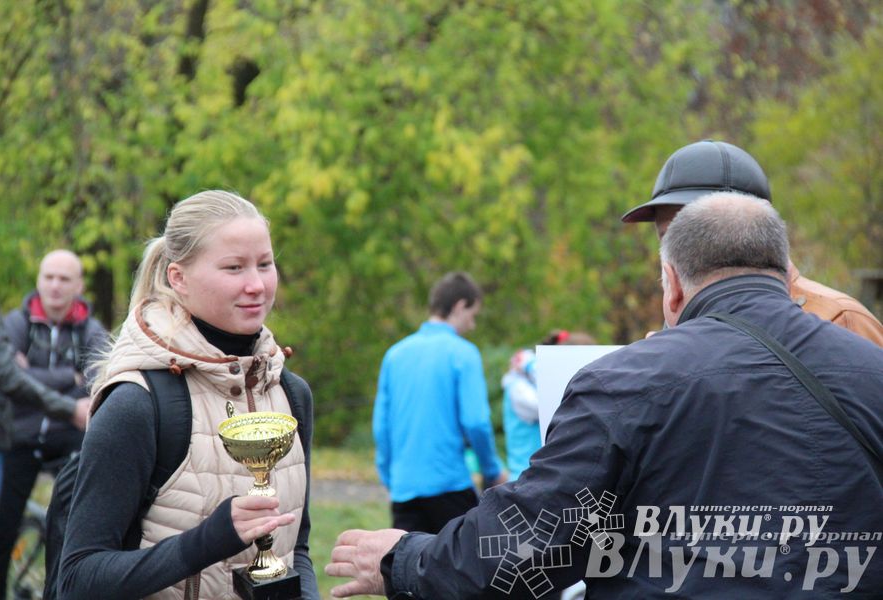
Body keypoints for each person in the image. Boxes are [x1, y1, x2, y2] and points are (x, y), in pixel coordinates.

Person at [326, 193, 883, 597]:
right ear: (786, 275)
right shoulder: (872, 368)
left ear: (672, 284)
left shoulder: (626, 382)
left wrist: (405, 559)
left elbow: (530, 548)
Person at [57, 191, 320, 599]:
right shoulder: (137, 404)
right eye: (234, 267)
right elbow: (78, 579)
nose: (256, 285)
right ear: (178, 278)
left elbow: (295, 549)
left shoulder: (291, 393)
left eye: (265, 264)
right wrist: (207, 541)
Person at [621, 139, 883, 346]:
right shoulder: (676, 320)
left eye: (698, 232)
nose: (681, 250)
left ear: (757, 223)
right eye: (669, 236)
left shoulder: (841, 319)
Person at [0, 250, 109, 598]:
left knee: (71, 529)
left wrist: (34, 373)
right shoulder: (15, 323)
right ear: (38, 280)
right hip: (18, 437)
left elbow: (98, 381)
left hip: (69, 439)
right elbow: (8, 376)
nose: (55, 286)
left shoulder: (92, 330)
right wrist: (69, 377)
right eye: (48, 277)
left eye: (64, 279)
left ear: (79, 286)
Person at [373, 271, 507, 535]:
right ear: (459, 306)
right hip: (450, 485)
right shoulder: (464, 353)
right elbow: (476, 422)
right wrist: (492, 471)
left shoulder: (395, 355)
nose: (472, 325)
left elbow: (381, 427)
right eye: (473, 315)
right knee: (467, 559)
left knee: (408, 560)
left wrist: (390, 478)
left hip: (404, 490)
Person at [502, 331, 595, 481]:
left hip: (551, 477)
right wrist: (530, 365)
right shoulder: (518, 385)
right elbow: (550, 403)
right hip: (526, 479)